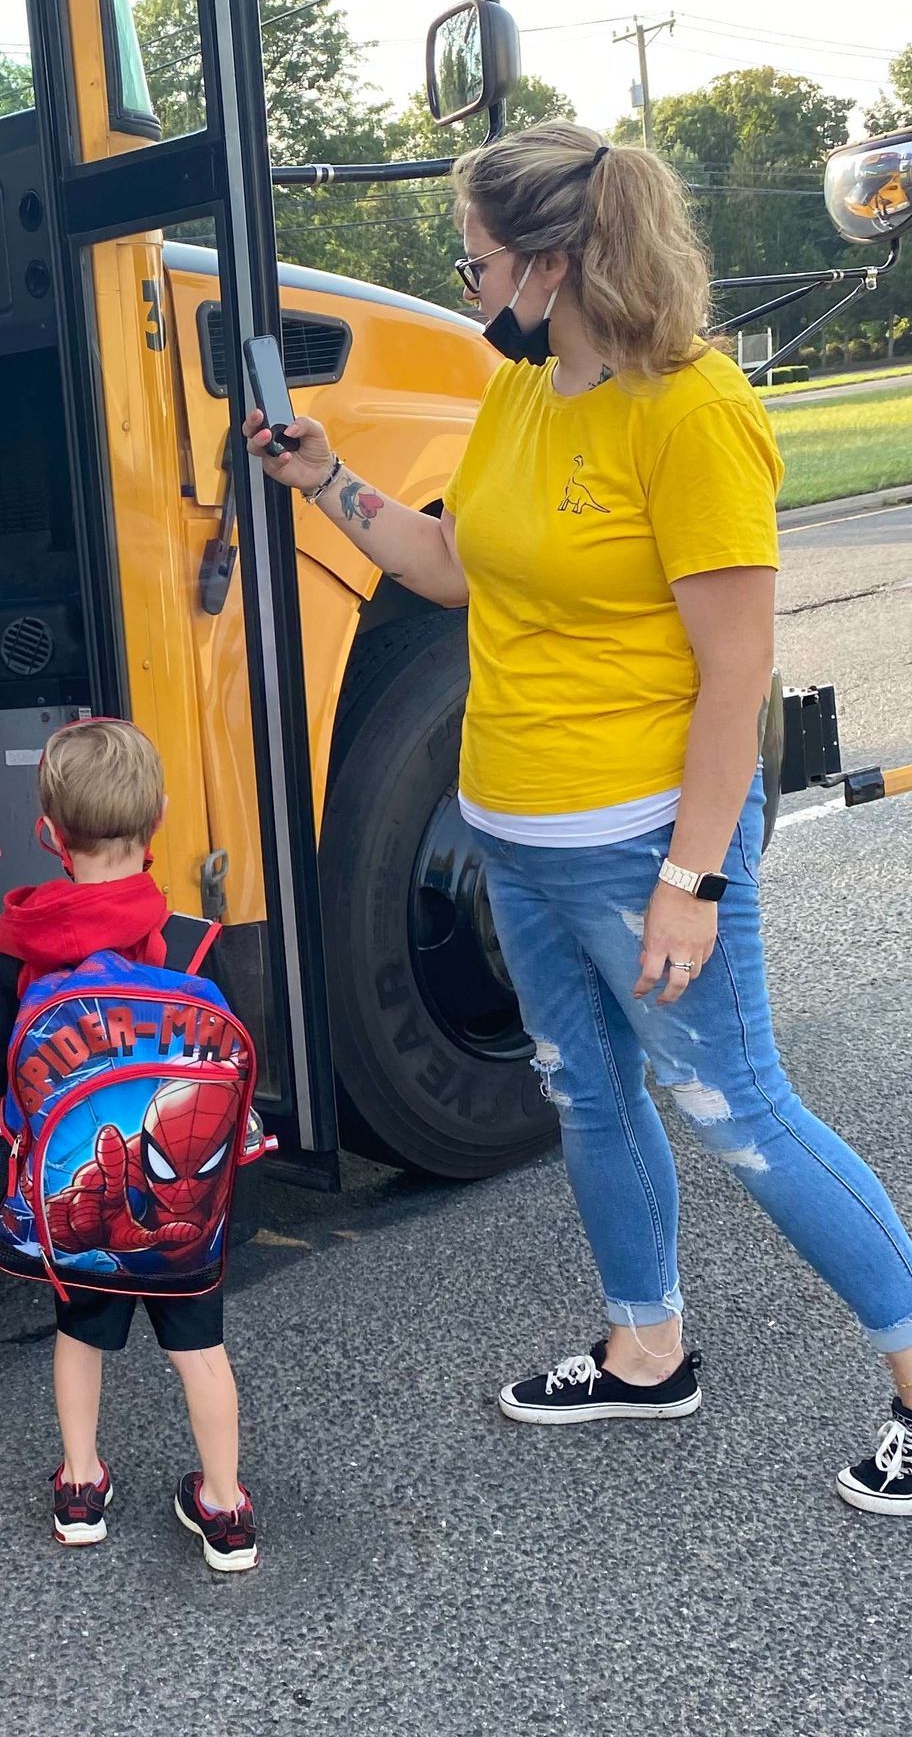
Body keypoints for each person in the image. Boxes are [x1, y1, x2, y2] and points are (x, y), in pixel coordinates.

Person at [246, 120, 912, 1515]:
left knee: (744, 1111)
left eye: (477, 259)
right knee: (588, 1094)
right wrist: (327, 480)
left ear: (551, 262)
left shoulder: (693, 411)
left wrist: (693, 881)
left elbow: (739, 673)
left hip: (643, 844)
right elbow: (451, 566)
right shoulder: (529, 398)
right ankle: (645, 1349)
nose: (468, 283)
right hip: (516, 834)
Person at [0, 718, 260, 1570]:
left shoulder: (22, 957)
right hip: (194, 1208)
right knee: (200, 1348)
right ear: (160, 819)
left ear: (49, 835)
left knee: (80, 1336)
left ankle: (82, 1486)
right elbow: (239, 1062)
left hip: (78, 1207)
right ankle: (224, 1506)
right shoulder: (197, 943)